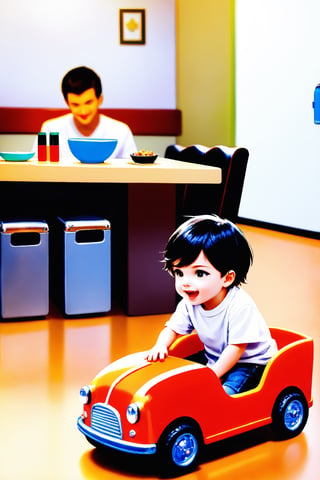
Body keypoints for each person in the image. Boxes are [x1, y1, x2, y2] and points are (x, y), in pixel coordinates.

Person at [145, 214, 277, 395]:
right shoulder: (189, 303)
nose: (185, 282)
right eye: (179, 273)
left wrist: (212, 374)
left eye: (199, 274)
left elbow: (237, 348)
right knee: (179, 378)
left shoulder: (240, 306)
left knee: (223, 394)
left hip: (250, 363)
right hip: (215, 357)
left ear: (227, 278)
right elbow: (172, 329)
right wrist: (161, 345)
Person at [37, 66, 137, 159]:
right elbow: (40, 170)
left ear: (100, 100)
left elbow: (131, 172)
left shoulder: (121, 131)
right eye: (75, 104)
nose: (83, 111)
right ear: (67, 103)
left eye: (88, 102)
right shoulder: (51, 129)